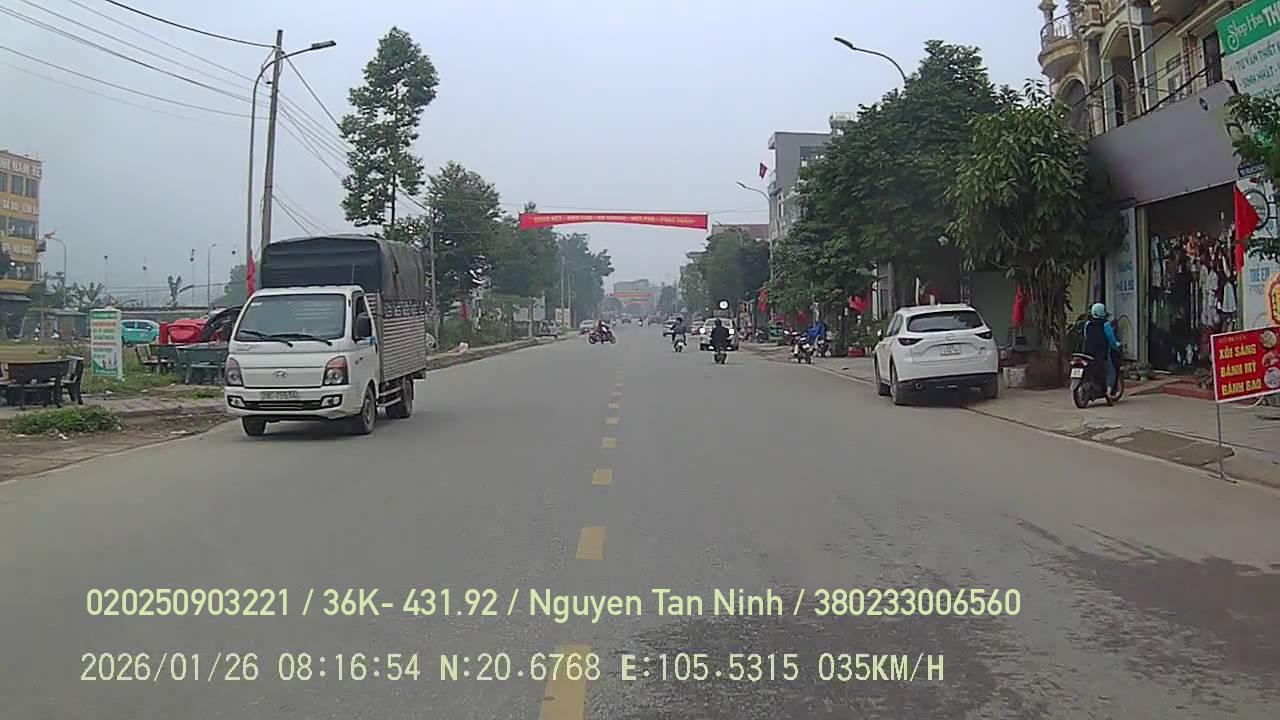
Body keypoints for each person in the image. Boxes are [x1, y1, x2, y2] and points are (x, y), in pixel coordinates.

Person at [1083, 302, 1121, 398]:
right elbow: (1111, 340)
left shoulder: (1088, 324)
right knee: (1111, 372)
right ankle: (1108, 391)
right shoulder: (1105, 325)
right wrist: (1116, 346)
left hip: (1088, 354)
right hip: (1102, 354)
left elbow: (1086, 336)